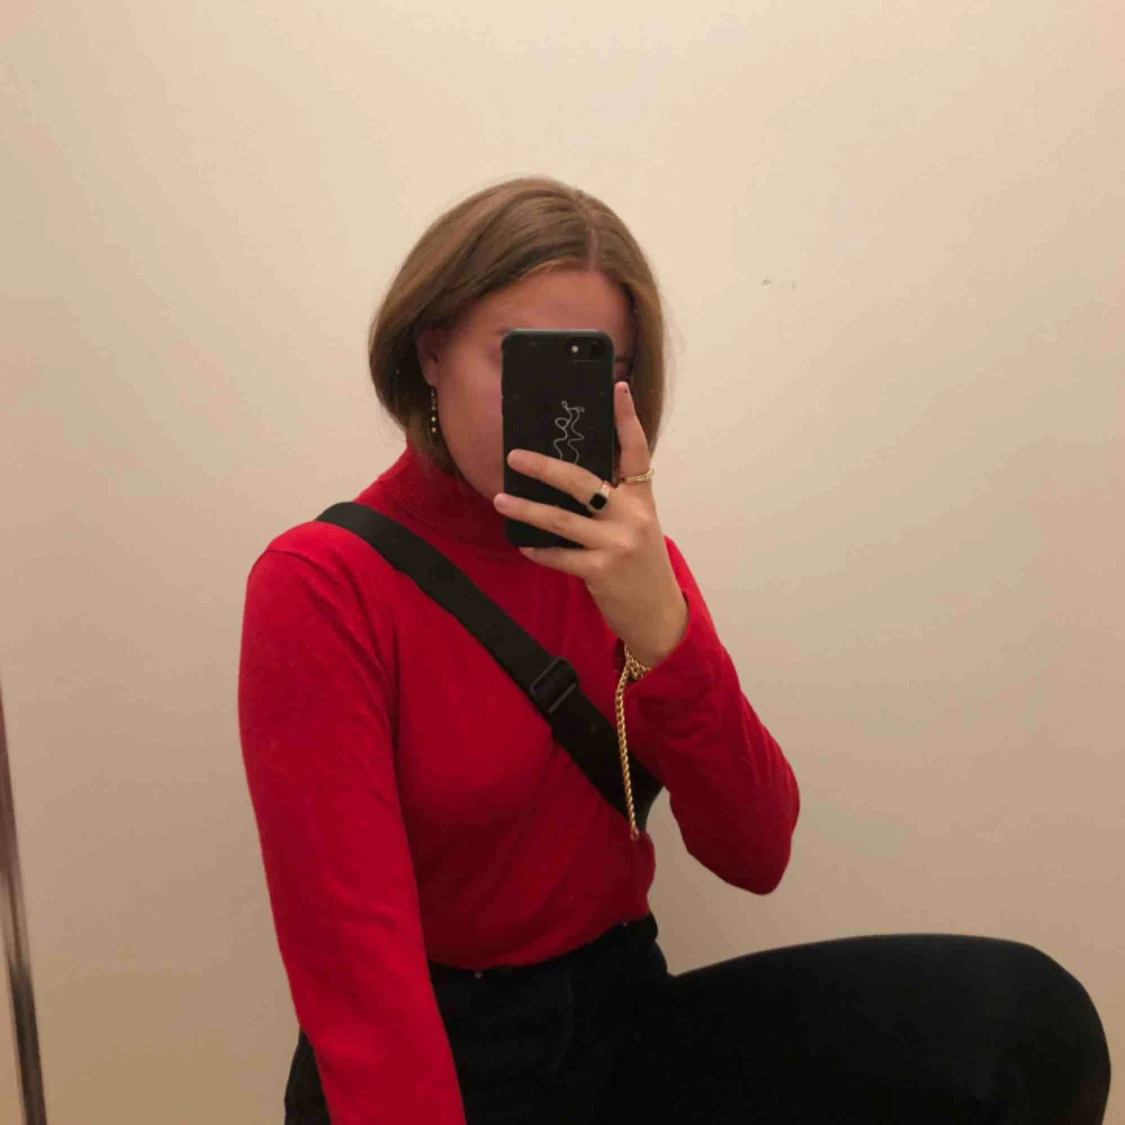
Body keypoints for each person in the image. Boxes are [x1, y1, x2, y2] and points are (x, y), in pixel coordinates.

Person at [237, 176, 1111, 1125]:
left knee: (1022, 1021)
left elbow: (756, 850)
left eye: (591, 365)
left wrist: (664, 633)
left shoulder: (627, 563)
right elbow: (355, 978)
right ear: (430, 349)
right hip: (445, 1052)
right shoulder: (323, 584)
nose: (551, 405)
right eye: (517, 354)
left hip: (623, 1021)